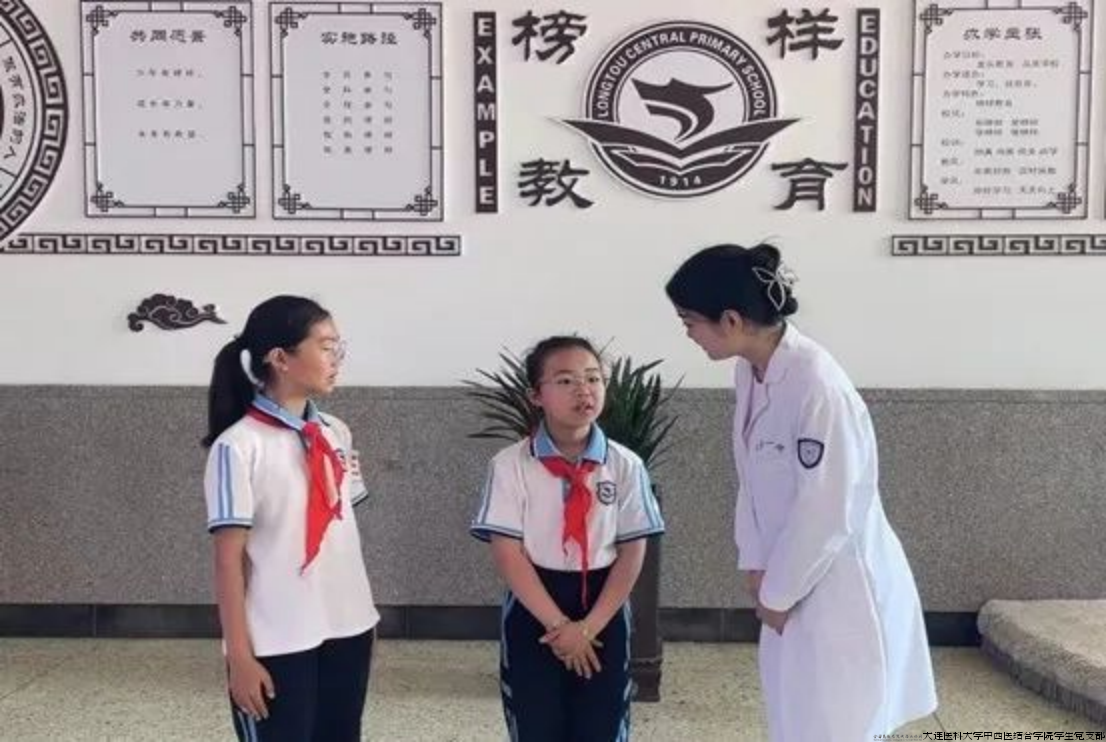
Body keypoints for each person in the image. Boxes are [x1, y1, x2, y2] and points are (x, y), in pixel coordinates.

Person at [665, 244, 937, 741]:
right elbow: (751, 480)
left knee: (836, 721)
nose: (687, 333)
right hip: (786, 578)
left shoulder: (817, 386)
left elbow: (828, 506)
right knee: (795, 714)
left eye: (690, 321)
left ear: (731, 320)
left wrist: (779, 591)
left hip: (837, 585)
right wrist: (755, 562)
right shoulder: (750, 370)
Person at [470, 336, 665, 741]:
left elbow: (633, 551)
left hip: (604, 606)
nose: (583, 390)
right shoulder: (510, 465)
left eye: (593, 378)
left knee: (603, 720)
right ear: (535, 395)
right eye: (565, 381)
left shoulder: (625, 465)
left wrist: (588, 629)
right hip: (535, 606)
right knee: (535, 719)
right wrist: (561, 627)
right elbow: (508, 553)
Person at [202, 295, 378, 742]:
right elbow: (228, 561)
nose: (337, 359)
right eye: (326, 346)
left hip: (348, 626)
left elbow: (339, 534)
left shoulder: (334, 432)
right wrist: (239, 656)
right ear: (280, 358)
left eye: (339, 347)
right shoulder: (237, 446)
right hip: (277, 637)